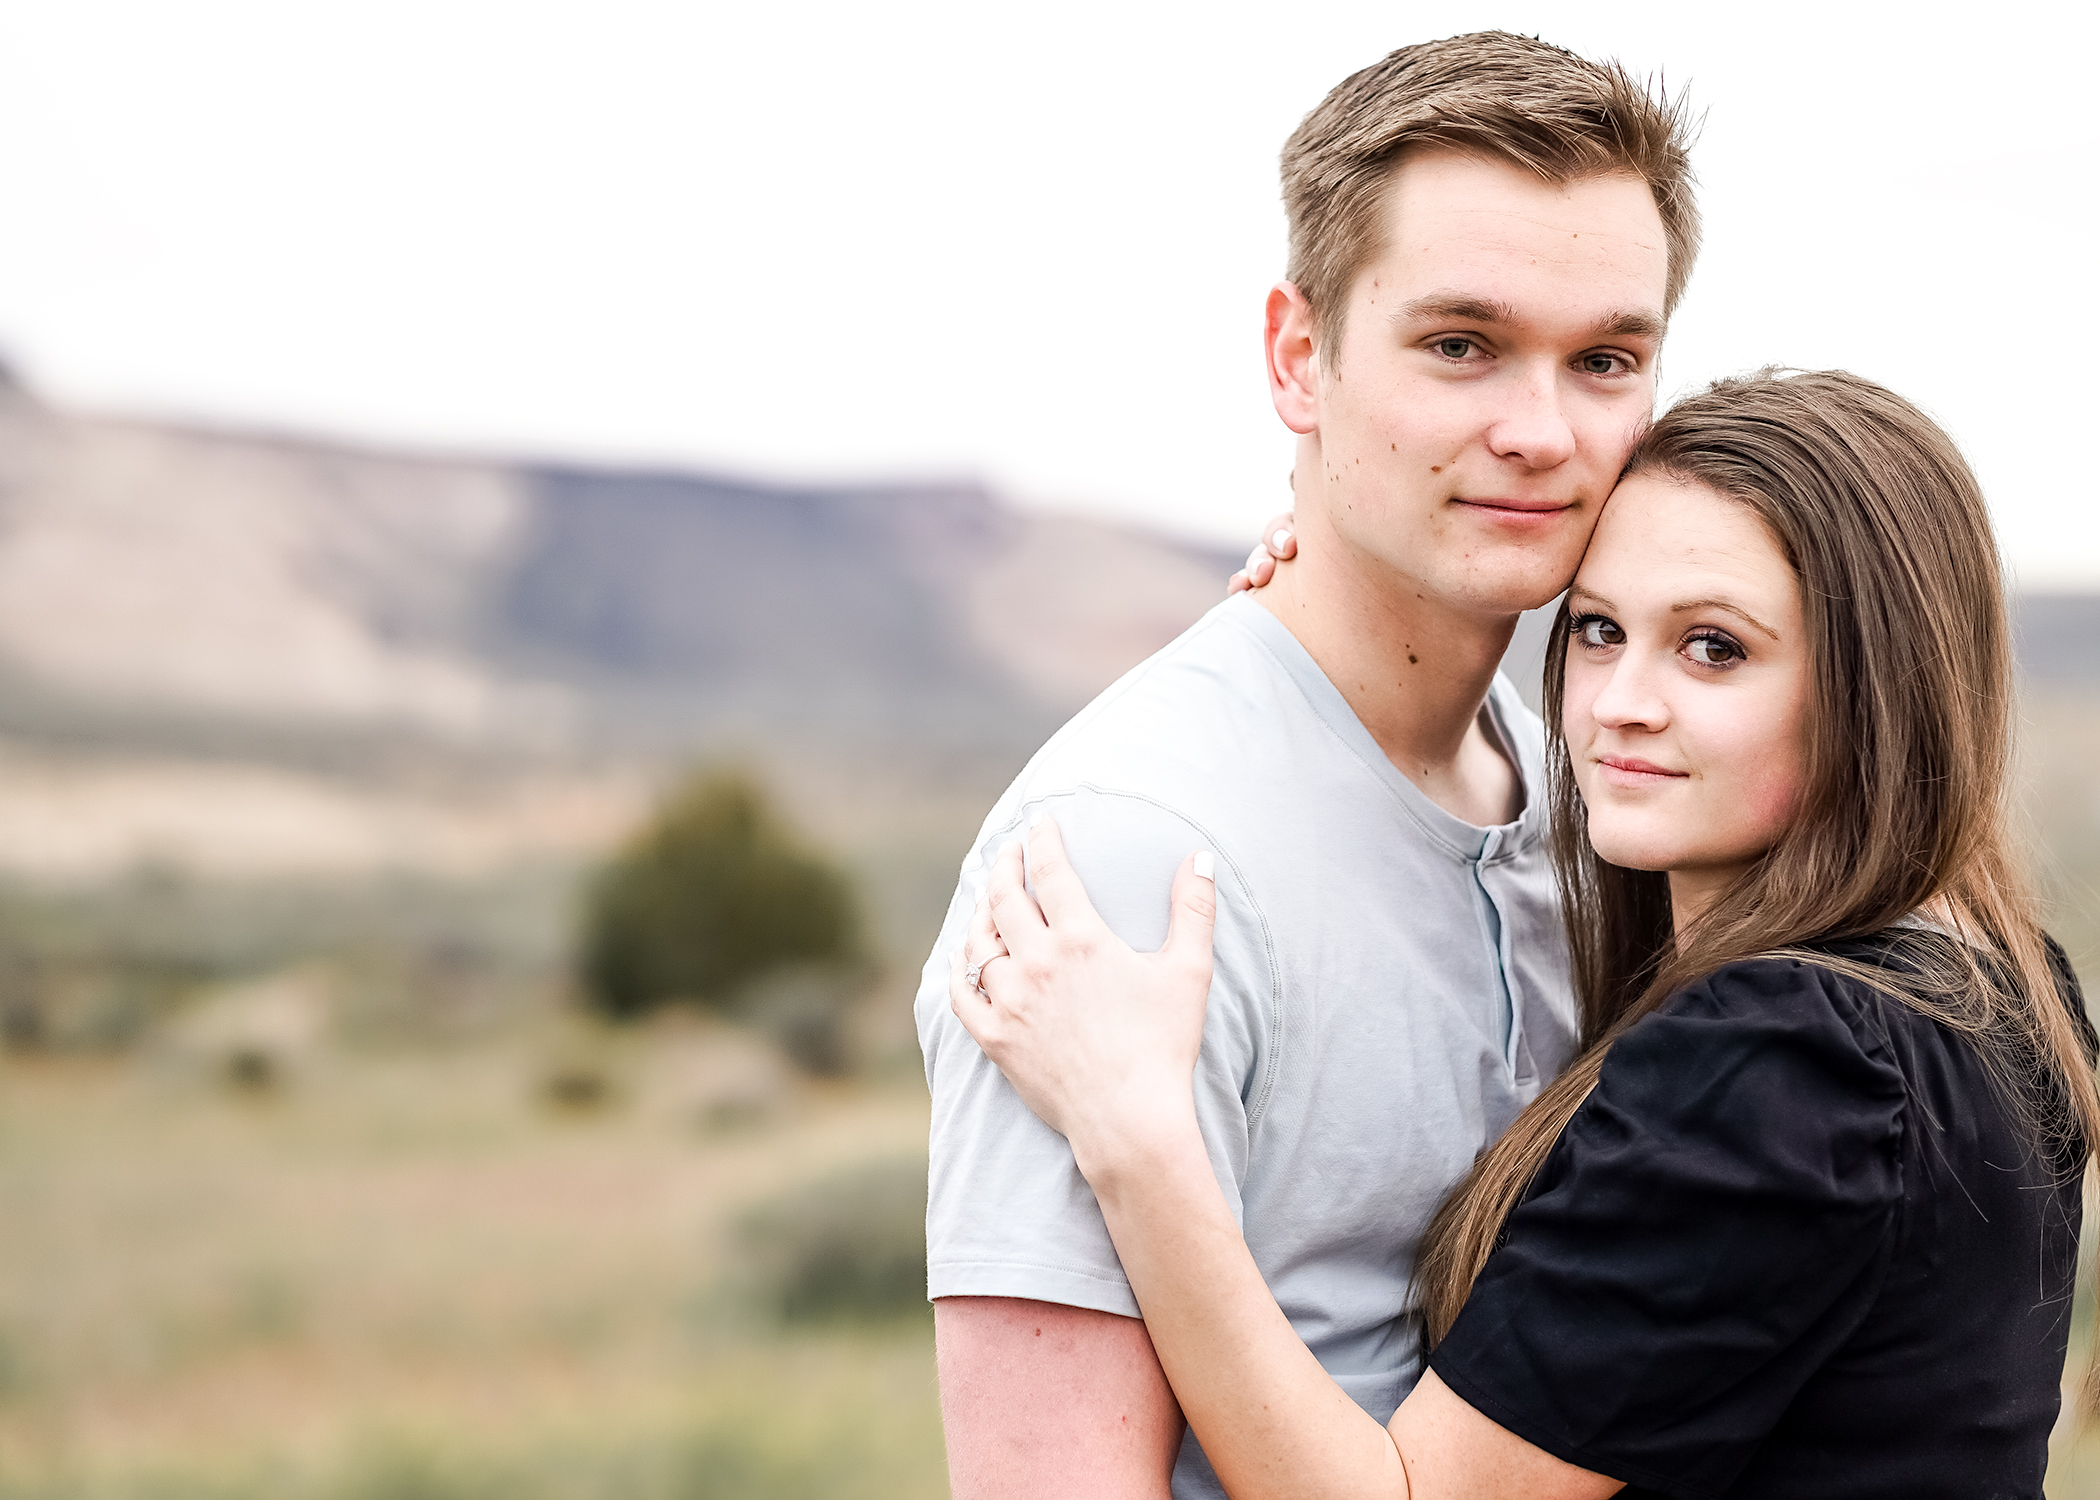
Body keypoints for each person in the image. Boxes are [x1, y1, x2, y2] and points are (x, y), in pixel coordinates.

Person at [951, 368, 2099, 1499]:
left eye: (1714, 647)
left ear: (1879, 686)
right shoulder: (1998, 983)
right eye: (1597, 628)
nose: (1618, 703)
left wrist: (1140, 1141)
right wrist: (1331, 598)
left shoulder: (1791, 1060)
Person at [914, 30, 1699, 1499]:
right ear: (1299, 358)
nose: (1541, 433)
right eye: (1459, 345)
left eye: (1605, 361)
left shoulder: (1594, 795)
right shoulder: (1129, 858)